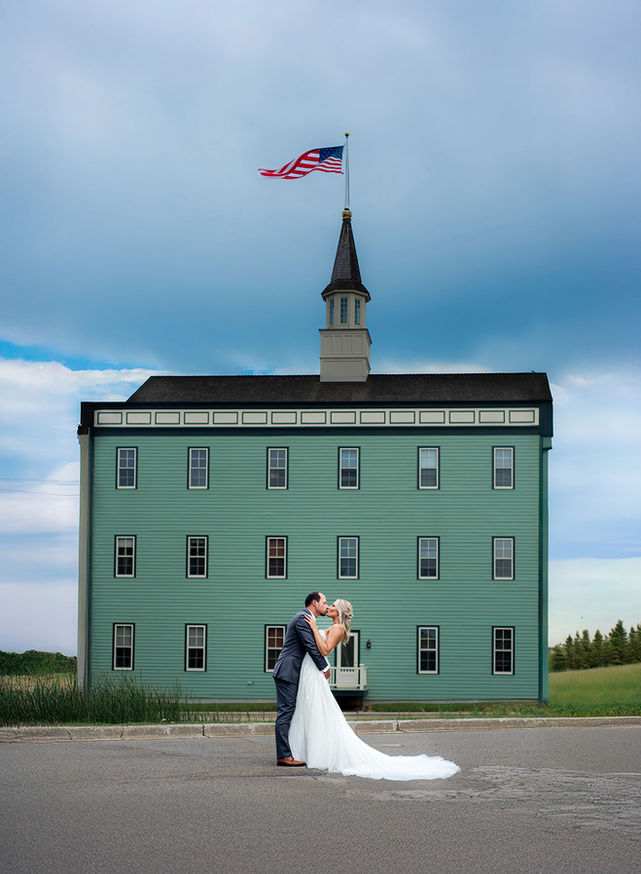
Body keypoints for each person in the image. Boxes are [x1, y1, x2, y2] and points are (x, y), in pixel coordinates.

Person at [289, 599, 460, 781]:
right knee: (316, 712)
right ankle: (311, 750)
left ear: (338, 611)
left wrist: (314, 629)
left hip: (316, 673)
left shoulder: (338, 629)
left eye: (333, 605)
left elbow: (324, 650)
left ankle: (317, 753)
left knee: (320, 712)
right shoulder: (334, 626)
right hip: (311, 672)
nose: (329, 607)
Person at [272, 591, 330, 766]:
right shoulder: (302, 618)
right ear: (315, 603)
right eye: (324, 602)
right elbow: (311, 646)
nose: (326, 606)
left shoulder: (306, 618)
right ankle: (284, 756)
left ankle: (290, 751)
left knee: (290, 711)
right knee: (286, 712)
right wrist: (324, 667)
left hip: (292, 672)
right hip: (287, 671)